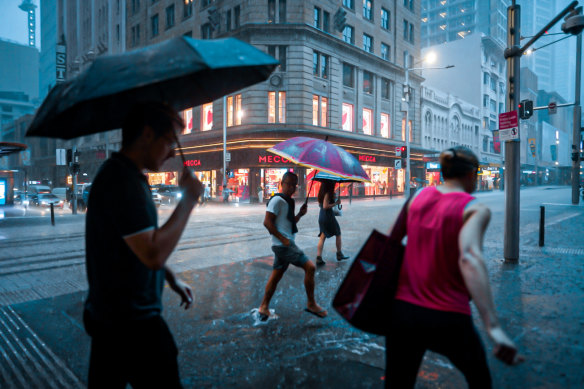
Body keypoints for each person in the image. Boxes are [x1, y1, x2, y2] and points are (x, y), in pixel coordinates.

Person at [84, 102, 203, 388]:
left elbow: (133, 246)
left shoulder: (127, 176)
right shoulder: (121, 180)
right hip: (132, 325)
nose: (173, 152)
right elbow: (151, 253)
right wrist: (188, 199)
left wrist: (169, 276)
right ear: (147, 135)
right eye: (169, 141)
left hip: (112, 318)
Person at [384, 146, 523, 388]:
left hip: (403, 312)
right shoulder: (474, 208)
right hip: (449, 315)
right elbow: (469, 257)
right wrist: (493, 327)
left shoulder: (417, 198)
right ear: (471, 175)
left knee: (397, 383)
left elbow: (390, 243)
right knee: (479, 379)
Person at [258, 172, 327, 320]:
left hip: (285, 244)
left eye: (293, 185)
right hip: (283, 246)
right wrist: (283, 239)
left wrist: (300, 214)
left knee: (276, 275)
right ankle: (311, 303)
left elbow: (289, 223)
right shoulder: (277, 200)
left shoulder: (289, 201)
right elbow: (267, 222)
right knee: (310, 267)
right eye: (288, 184)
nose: (290, 187)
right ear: (281, 184)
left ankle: (264, 307)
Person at [315, 180, 349, 266]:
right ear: (330, 184)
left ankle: (318, 257)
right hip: (328, 216)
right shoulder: (328, 193)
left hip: (322, 216)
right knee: (338, 232)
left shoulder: (321, 193)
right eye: (333, 183)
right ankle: (339, 254)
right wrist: (336, 203)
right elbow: (325, 206)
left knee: (323, 236)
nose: (334, 184)